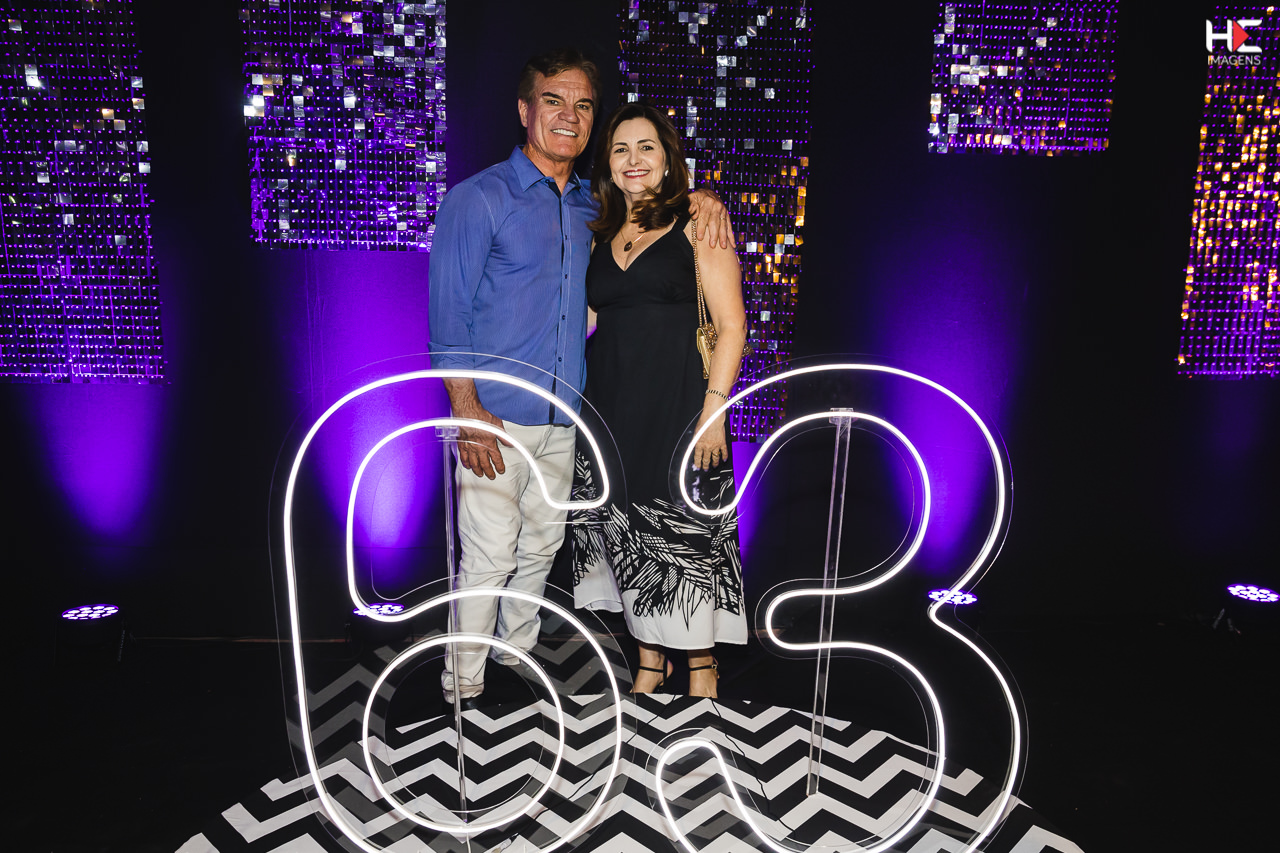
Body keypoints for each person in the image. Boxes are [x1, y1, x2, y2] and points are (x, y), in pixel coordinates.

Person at [428, 50, 733, 707]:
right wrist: (466, 410)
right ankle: (464, 688)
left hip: (570, 419)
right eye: (553, 100)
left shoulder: (590, 210)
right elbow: (448, 321)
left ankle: (514, 665)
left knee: (541, 552)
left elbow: (653, 235)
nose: (568, 115)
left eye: (583, 105)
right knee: (488, 558)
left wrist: (703, 196)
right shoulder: (477, 199)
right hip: (495, 417)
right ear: (524, 109)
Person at [571, 103, 748, 699]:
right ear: (608, 163)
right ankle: (650, 661)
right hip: (608, 410)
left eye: (646, 147)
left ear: (668, 159)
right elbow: (585, 323)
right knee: (627, 536)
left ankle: (701, 666)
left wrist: (714, 413)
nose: (633, 160)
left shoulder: (697, 225)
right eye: (620, 149)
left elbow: (732, 326)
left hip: (679, 408)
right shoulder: (599, 234)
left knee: (684, 537)